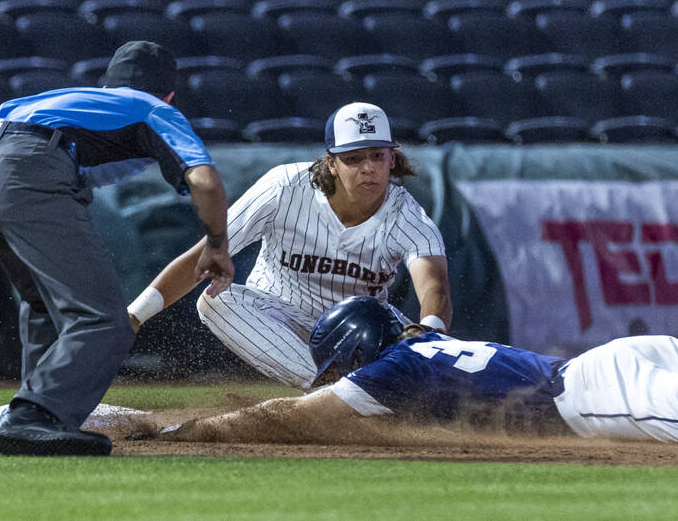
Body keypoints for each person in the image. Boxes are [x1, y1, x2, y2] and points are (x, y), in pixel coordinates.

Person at [148, 280, 678, 445]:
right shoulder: (424, 349)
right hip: (613, 358)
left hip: (596, 391)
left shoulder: (387, 375)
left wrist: (186, 428)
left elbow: (289, 417)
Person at [0, 41, 236, 456]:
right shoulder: (155, 108)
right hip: (29, 171)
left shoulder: (59, 99)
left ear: (109, 83)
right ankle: (33, 417)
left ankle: (38, 411)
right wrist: (217, 245)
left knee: (44, 303)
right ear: (169, 93)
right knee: (104, 321)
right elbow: (205, 182)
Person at [126, 102, 451, 389]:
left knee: (428, 353)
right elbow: (204, 256)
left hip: (358, 331)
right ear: (331, 163)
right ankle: (330, 392)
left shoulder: (406, 215)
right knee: (214, 300)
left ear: (392, 159)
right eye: (353, 158)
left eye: (377, 155)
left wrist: (428, 331)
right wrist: (133, 317)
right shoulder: (285, 187)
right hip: (279, 316)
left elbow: (435, 286)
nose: (368, 168)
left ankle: (382, 393)